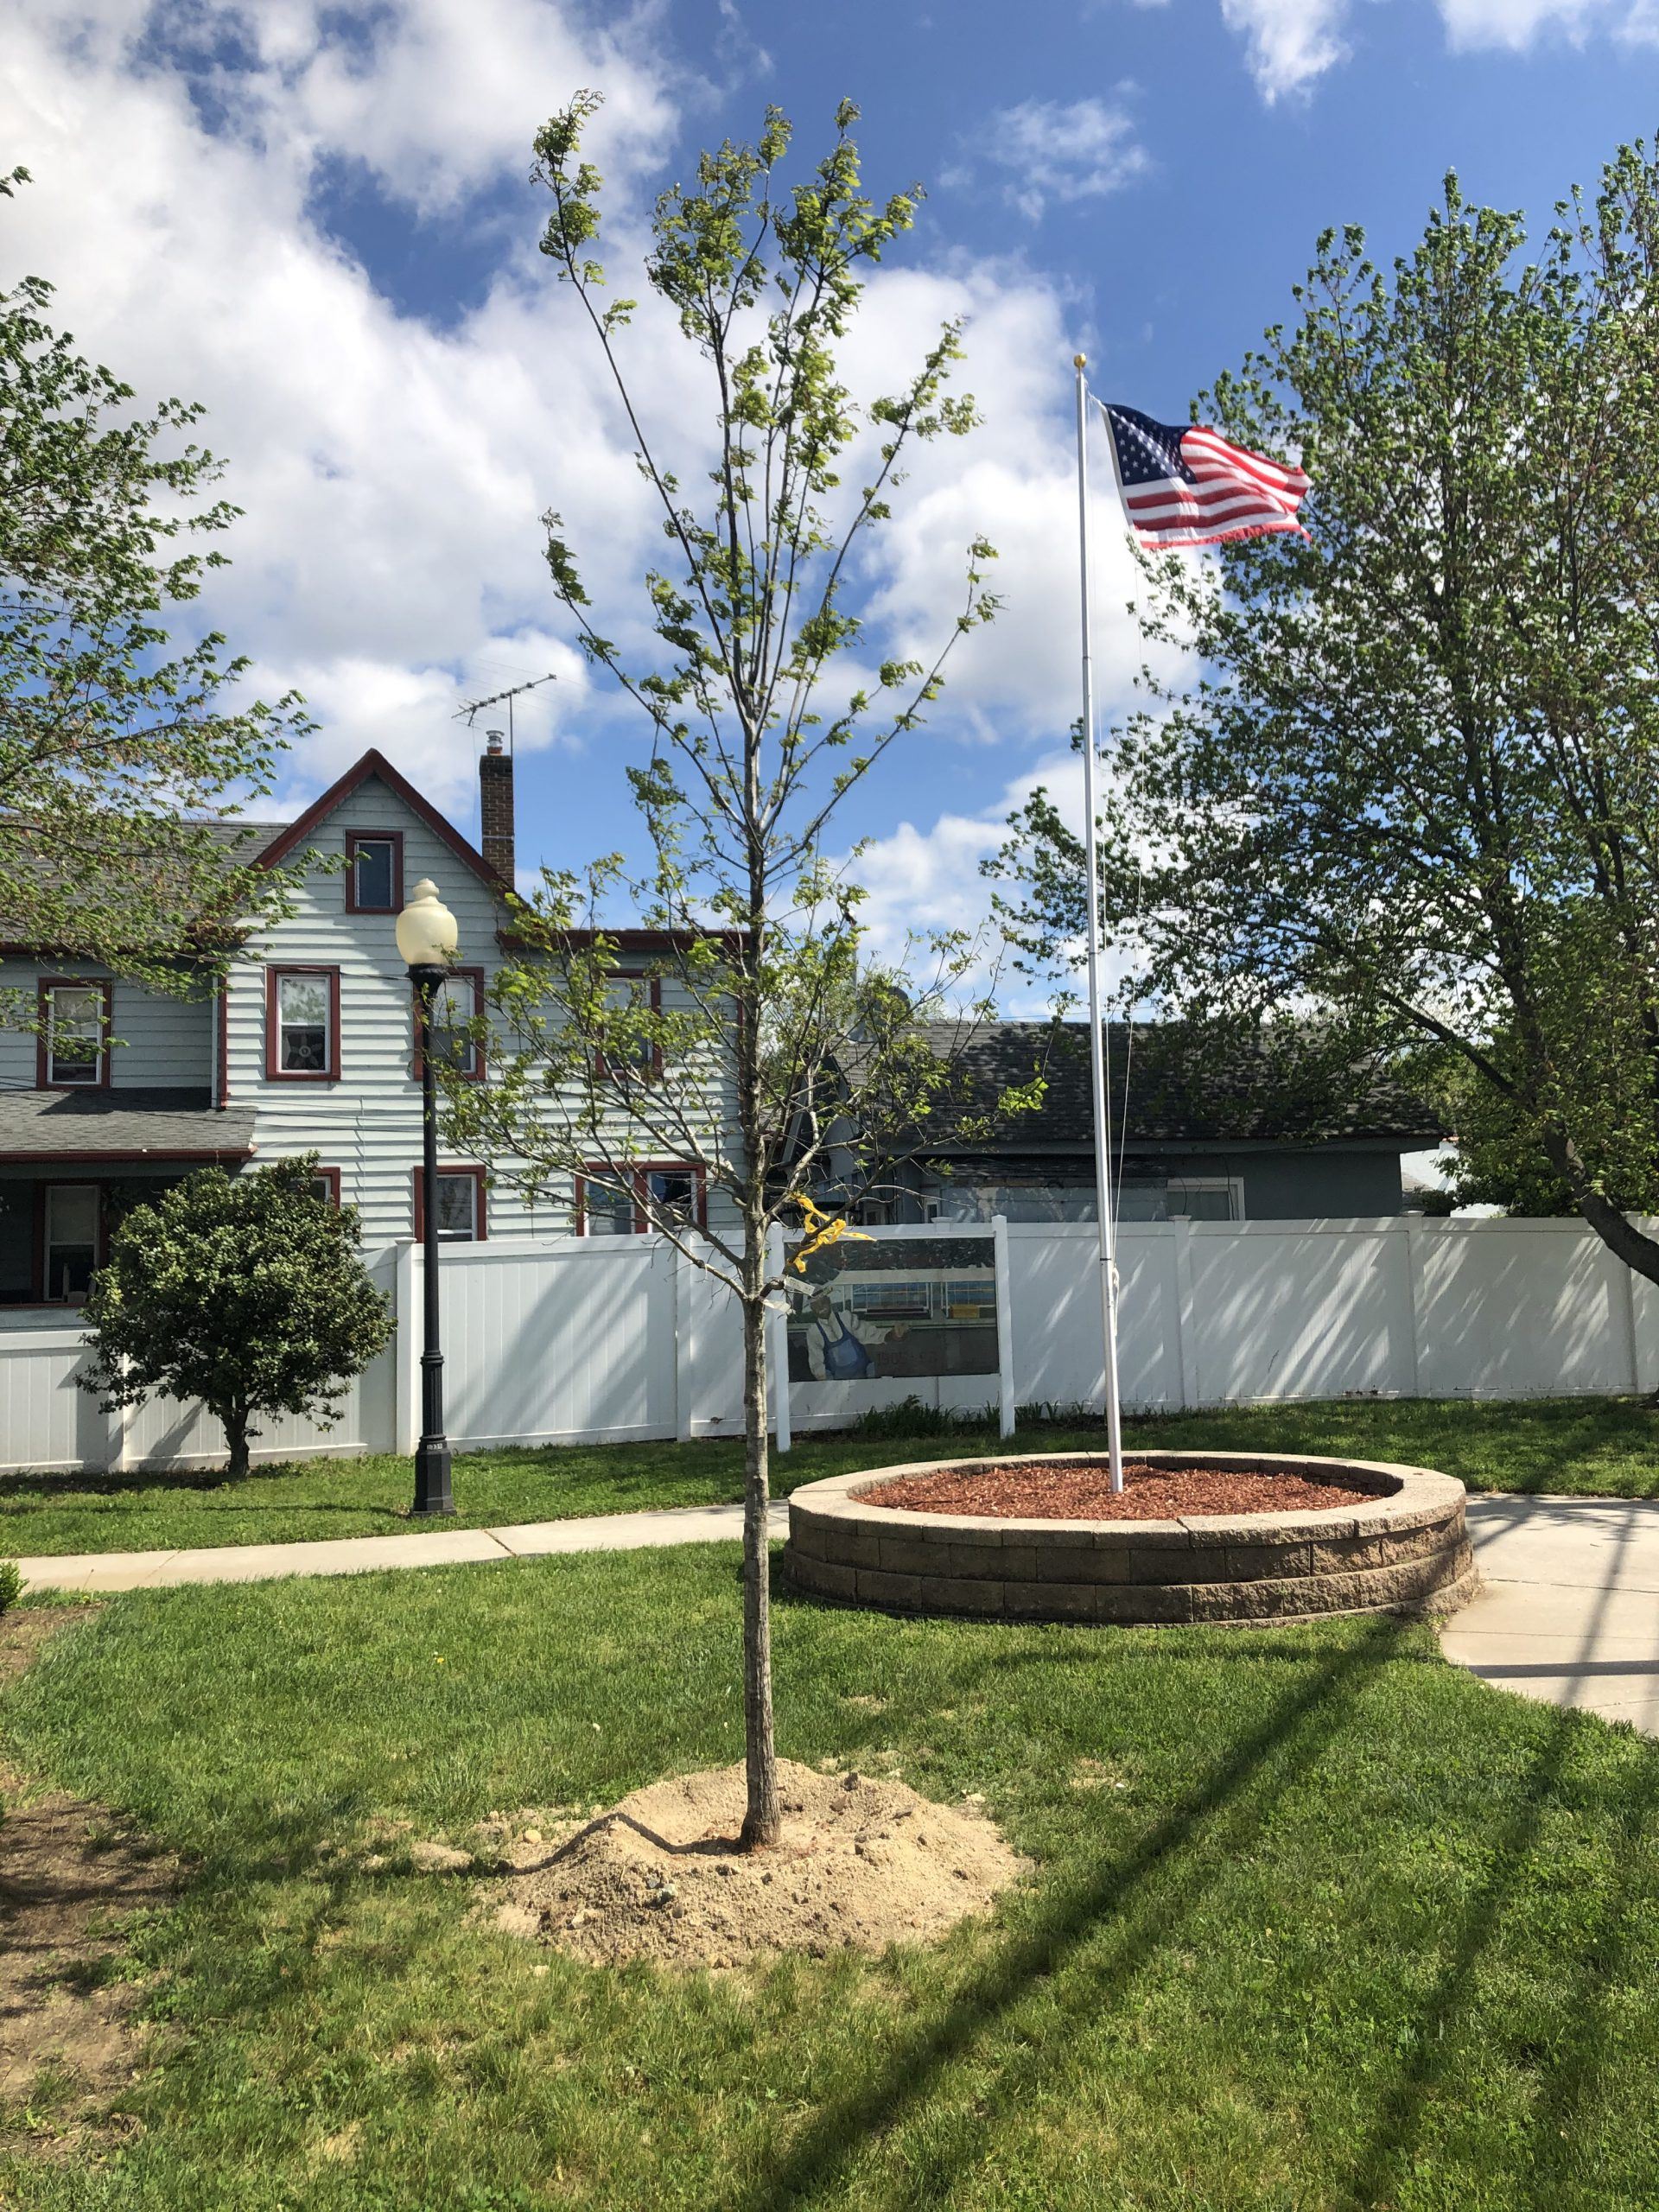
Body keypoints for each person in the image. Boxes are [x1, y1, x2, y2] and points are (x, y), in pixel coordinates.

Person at [794, 1287, 906, 1382]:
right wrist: (831, 1384)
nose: (821, 1306)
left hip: (864, 1378)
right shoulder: (814, 1333)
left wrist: (893, 1335)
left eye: (823, 1301)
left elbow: (869, 1333)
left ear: (829, 1300)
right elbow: (816, 1365)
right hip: (837, 1385)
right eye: (816, 1304)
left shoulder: (846, 1318)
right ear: (812, 1308)